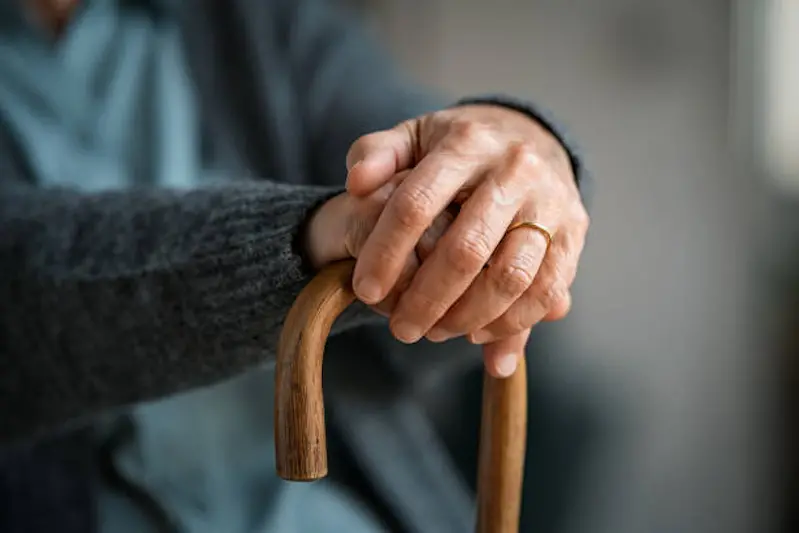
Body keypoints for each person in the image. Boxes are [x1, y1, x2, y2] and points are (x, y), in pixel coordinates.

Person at [0, 0, 590, 532]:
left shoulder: (257, 21)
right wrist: (307, 237)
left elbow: (402, 141)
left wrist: (511, 154)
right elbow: (24, 285)